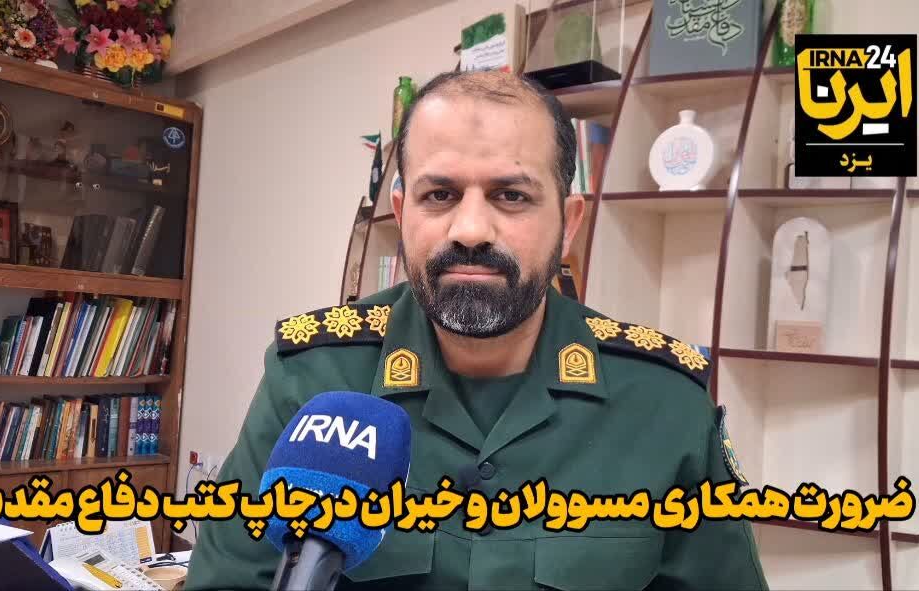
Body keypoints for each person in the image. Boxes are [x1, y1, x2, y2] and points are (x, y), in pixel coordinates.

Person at [185, 70, 768, 590]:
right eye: (439, 195)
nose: (469, 229)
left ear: (568, 224)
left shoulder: (665, 401)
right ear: (402, 213)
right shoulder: (311, 378)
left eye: (511, 195)